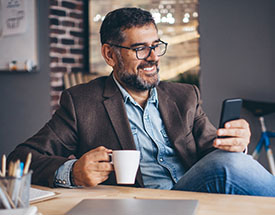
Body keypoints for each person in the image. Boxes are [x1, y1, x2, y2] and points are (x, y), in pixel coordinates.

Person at [8, 7, 275, 196]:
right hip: (140, 203)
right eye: (140, 49)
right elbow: (21, 158)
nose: (153, 57)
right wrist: (73, 171)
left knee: (228, 162)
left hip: (195, 196)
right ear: (110, 55)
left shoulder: (185, 96)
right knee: (226, 165)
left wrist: (235, 146)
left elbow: (212, 153)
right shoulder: (81, 103)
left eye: (156, 45)